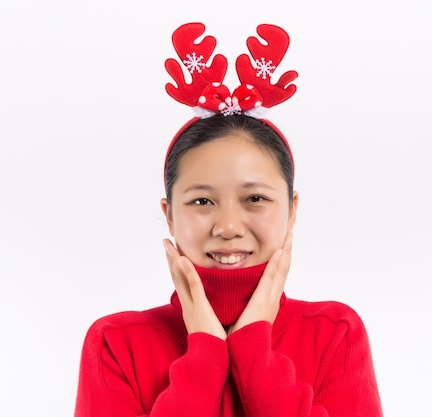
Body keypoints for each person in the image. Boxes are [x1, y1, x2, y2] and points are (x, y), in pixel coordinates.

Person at [74, 22, 383, 417]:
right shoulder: (115, 345)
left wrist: (253, 346)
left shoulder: (335, 334)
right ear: (169, 216)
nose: (228, 227)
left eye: (255, 198)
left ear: (292, 211)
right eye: (202, 200)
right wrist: (205, 351)